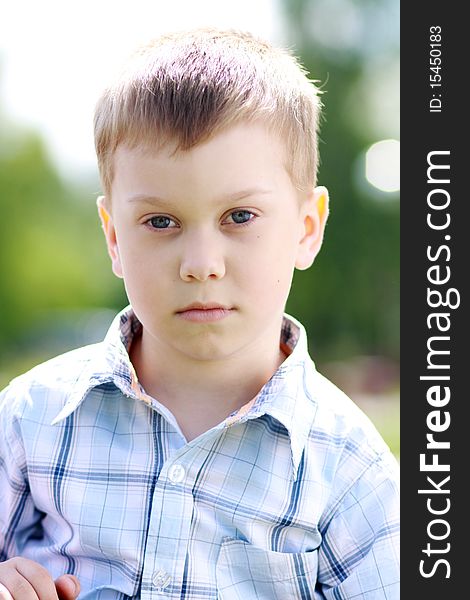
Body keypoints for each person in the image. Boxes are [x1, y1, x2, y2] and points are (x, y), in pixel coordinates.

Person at [0, 28, 399, 599]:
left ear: (307, 228)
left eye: (239, 217)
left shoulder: (352, 473)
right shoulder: (29, 421)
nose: (200, 264)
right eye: (160, 222)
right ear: (113, 237)